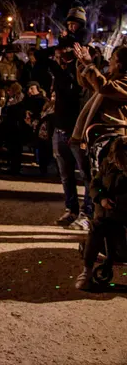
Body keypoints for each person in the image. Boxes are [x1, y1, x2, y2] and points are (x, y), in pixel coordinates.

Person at [41, 45, 90, 228]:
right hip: (60, 129)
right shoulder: (60, 73)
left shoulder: (81, 76)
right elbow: (41, 58)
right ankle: (72, 209)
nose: (61, 58)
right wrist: (58, 45)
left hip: (77, 131)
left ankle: (87, 213)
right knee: (66, 174)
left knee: (86, 174)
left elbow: (74, 93)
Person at [75, 136, 127, 291]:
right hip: (105, 216)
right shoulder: (107, 164)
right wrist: (101, 197)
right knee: (96, 227)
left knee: (103, 227)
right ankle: (87, 272)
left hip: (122, 217)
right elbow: (95, 185)